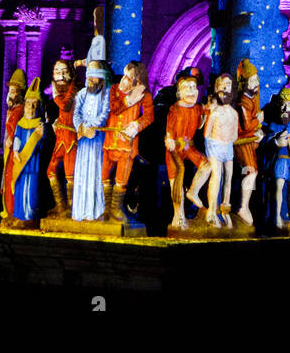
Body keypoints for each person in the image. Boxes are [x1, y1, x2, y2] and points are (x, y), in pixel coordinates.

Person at [102, 61, 154, 225]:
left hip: (128, 143)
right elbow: (113, 108)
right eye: (124, 75)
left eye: (129, 77)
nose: (125, 79)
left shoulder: (144, 94)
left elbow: (149, 116)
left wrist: (137, 125)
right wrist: (128, 101)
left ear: (137, 80)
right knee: (104, 175)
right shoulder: (114, 90)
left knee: (121, 178)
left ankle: (116, 209)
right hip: (110, 139)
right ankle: (104, 209)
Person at [188, 72, 239, 228]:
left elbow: (235, 134)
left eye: (228, 84)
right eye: (222, 84)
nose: (225, 87)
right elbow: (206, 132)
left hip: (228, 147)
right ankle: (211, 210)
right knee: (216, 177)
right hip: (215, 146)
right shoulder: (214, 111)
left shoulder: (233, 112)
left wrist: (229, 141)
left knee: (228, 178)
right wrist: (213, 143)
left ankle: (225, 208)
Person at [164, 68, 208, 229]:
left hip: (189, 146)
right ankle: (179, 215)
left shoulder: (198, 108)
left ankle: (194, 191)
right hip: (175, 147)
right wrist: (169, 139)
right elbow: (169, 128)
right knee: (176, 183)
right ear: (180, 92)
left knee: (206, 165)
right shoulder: (175, 109)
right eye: (187, 88)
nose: (192, 91)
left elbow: (201, 123)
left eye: (194, 88)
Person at [72, 59, 112, 222]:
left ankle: (96, 211)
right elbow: (76, 113)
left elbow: (105, 114)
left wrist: (93, 128)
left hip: (98, 141)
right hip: (84, 142)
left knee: (96, 172)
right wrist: (81, 127)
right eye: (88, 75)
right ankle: (81, 212)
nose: (90, 78)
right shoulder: (82, 94)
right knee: (82, 174)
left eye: (93, 75)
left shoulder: (106, 93)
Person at [264, 88, 290, 229]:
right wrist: (276, 142)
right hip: (281, 159)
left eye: (289, 105)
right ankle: (276, 217)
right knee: (279, 187)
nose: (285, 108)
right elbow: (267, 141)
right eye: (283, 104)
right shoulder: (274, 124)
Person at [46, 58, 78, 218]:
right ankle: (61, 206)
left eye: (64, 71)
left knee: (69, 173)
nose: (60, 75)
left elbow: (65, 105)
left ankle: (71, 209)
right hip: (61, 136)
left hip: (71, 137)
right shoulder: (60, 91)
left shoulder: (73, 89)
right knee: (51, 170)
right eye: (57, 71)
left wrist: (55, 95)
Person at [233, 58, 264, 225]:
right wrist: (258, 121)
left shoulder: (252, 98)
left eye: (256, 79)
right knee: (249, 171)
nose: (256, 83)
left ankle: (245, 204)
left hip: (249, 140)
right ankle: (242, 206)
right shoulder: (243, 101)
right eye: (252, 80)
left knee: (252, 172)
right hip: (242, 141)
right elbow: (246, 124)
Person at [11, 78, 45, 224]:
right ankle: (19, 214)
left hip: (33, 163)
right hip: (21, 162)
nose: (30, 108)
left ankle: (31, 215)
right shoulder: (20, 124)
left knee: (32, 189)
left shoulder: (40, 124)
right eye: (28, 104)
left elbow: (42, 144)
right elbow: (17, 138)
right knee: (20, 187)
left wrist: (41, 136)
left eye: (34, 105)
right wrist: (16, 151)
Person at [1, 67, 26, 220]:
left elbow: (18, 130)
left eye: (13, 90)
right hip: (8, 150)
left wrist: (12, 138)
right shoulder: (11, 110)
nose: (10, 93)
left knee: (12, 180)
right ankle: (7, 211)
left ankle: (13, 212)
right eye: (10, 90)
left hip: (16, 151)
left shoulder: (20, 110)